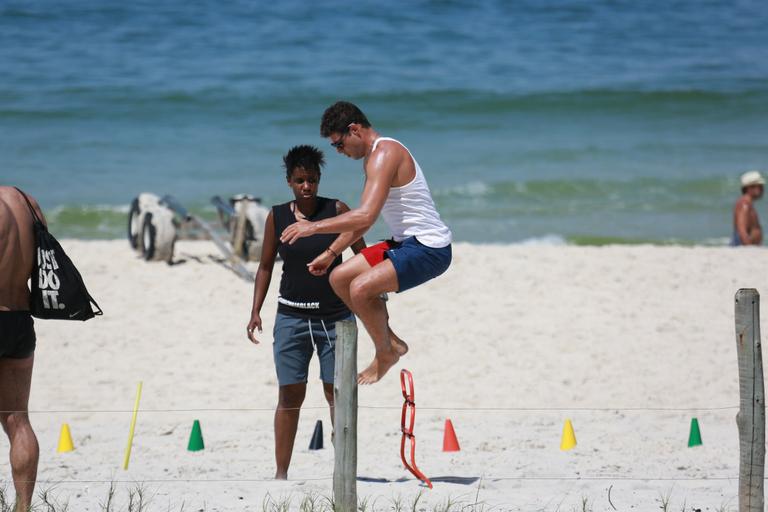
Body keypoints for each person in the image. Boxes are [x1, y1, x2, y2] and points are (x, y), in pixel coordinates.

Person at [280, 101, 452, 385]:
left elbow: (366, 214)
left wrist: (312, 228)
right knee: (339, 277)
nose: (339, 152)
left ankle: (384, 353)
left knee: (360, 288)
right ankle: (392, 342)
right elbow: (363, 221)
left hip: (429, 248)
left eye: (338, 144)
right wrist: (330, 252)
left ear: (354, 130)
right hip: (404, 243)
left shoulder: (385, 153)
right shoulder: (373, 158)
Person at [246, 145, 365, 480]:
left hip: (336, 318)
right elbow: (266, 266)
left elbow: (362, 254)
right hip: (291, 318)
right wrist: (255, 310)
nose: (307, 186)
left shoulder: (336, 209)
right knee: (290, 395)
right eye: (300, 180)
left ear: (319, 179)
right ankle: (281, 474)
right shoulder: (277, 216)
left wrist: (368, 293)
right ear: (289, 182)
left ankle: (343, 470)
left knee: (336, 393)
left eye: (312, 179)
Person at [0, 186, 44, 511]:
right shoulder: (26, 202)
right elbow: (44, 260)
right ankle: (23, 507)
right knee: (18, 420)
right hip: (18, 320)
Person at [732, 170, 764, 246]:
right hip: (742, 244)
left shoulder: (748, 203)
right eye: (759, 186)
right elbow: (741, 229)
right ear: (749, 187)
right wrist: (748, 245)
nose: (762, 189)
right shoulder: (744, 203)